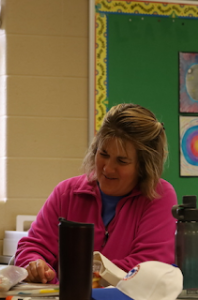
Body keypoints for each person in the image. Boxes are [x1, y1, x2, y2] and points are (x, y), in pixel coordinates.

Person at [14, 103, 177, 284]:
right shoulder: (66, 193)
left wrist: (80, 277)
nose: (107, 168)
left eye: (122, 161)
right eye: (104, 154)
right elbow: (33, 246)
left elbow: (147, 267)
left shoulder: (159, 197)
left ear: (144, 167)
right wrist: (36, 265)